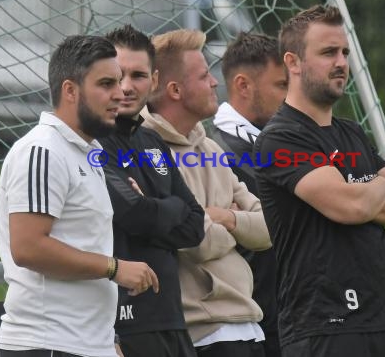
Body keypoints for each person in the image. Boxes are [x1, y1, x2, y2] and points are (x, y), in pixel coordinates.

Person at [254, 5, 385, 357]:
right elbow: (353, 206)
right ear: (293, 62)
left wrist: (357, 190)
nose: (341, 62)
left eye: (344, 52)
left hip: (379, 323)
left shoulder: (351, 133)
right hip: (323, 329)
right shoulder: (279, 139)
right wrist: (376, 185)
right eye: (328, 52)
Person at [0, 35, 159, 357]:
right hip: (48, 344)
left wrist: (106, 340)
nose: (120, 92)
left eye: (121, 81)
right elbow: (28, 247)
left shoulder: (89, 152)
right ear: (70, 90)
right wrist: (114, 268)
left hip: (87, 344)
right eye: (106, 83)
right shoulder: (42, 149)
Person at [142, 29, 272, 357]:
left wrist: (223, 216)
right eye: (203, 76)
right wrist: (238, 226)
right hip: (203, 332)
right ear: (174, 90)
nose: (215, 82)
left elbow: (270, 228)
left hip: (248, 321)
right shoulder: (149, 153)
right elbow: (197, 241)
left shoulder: (210, 146)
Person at [99, 24, 204, 357]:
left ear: (155, 81)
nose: (127, 87)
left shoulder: (152, 141)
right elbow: (134, 214)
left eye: (138, 75)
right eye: (118, 75)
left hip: (172, 319)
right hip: (123, 324)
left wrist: (153, 209)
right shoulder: (91, 142)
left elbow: (196, 225)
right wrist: (166, 207)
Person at [211, 32, 287, 357]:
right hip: (250, 326)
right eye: (281, 85)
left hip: (286, 321)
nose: (292, 96)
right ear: (243, 86)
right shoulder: (216, 153)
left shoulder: (279, 145)